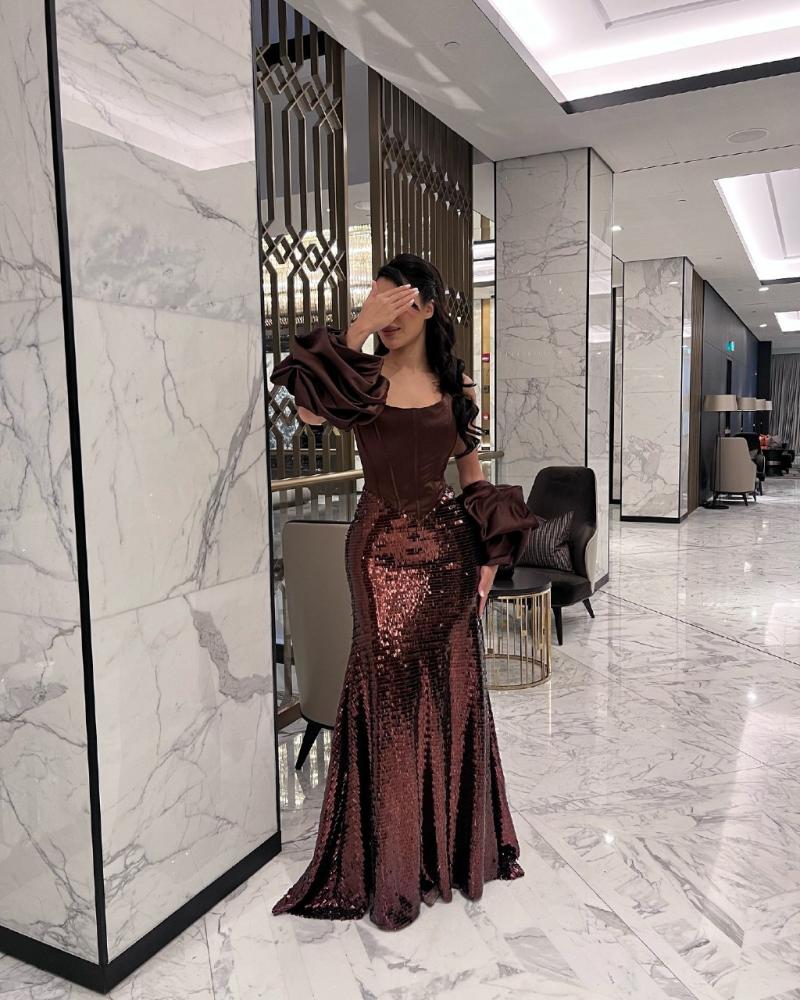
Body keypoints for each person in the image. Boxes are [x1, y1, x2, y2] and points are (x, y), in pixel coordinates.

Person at [269, 253, 538, 931]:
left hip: (449, 552)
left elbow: (472, 477)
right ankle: (390, 863)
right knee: (388, 698)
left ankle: (452, 850)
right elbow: (307, 412)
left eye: (400, 303)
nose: (389, 314)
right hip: (378, 551)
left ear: (430, 308)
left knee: (452, 689)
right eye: (378, 301)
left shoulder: (457, 383)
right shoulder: (360, 379)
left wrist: (489, 559)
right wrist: (357, 327)